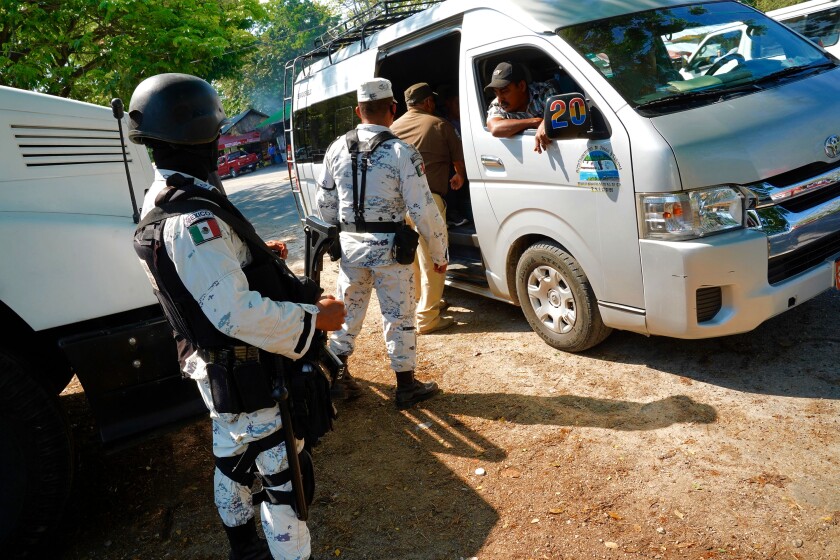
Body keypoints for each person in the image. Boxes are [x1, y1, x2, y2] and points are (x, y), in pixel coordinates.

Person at [128, 73, 345, 560]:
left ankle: (243, 548)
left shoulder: (163, 196)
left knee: (230, 458)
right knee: (282, 480)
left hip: (213, 368)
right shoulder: (192, 221)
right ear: (202, 136)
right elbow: (234, 313)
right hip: (244, 370)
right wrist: (316, 319)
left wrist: (249, 256)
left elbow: (195, 276)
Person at [316, 77, 448, 409]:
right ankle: (406, 387)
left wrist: (336, 236)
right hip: (391, 250)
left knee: (347, 314)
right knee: (399, 316)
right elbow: (423, 209)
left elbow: (325, 204)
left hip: (351, 249)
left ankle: (336, 379)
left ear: (358, 111)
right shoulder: (402, 151)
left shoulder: (335, 149)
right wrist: (438, 252)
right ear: (392, 109)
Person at [390, 82, 465, 334]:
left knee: (411, 259)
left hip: (398, 204)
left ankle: (423, 304)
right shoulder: (439, 124)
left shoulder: (392, 129)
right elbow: (459, 161)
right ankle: (428, 318)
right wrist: (458, 176)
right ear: (429, 102)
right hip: (427, 201)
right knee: (434, 259)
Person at [484, 61, 561, 154]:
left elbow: (560, 112)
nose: (500, 99)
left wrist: (547, 122)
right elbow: (496, 128)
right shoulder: (497, 104)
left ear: (521, 86)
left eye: (504, 91)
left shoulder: (543, 91)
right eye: (496, 92)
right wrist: (536, 122)